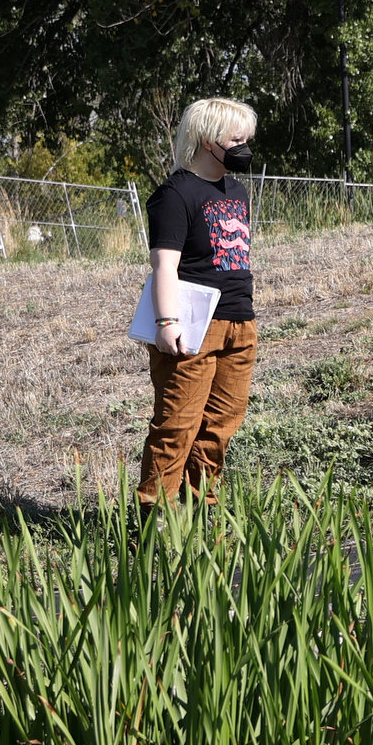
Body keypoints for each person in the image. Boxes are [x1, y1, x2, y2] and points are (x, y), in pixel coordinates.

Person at [136, 97, 261, 502]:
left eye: (248, 138)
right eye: (237, 139)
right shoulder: (175, 193)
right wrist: (166, 322)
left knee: (219, 428)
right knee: (176, 427)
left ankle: (199, 517)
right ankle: (151, 528)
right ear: (209, 140)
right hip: (194, 325)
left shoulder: (237, 190)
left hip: (240, 322)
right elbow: (165, 266)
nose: (245, 147)